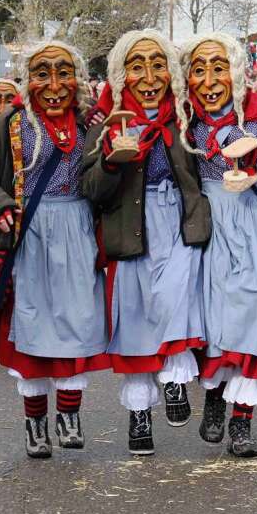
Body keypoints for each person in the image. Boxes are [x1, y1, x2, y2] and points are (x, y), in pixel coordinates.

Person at [0, 40, 109, 460]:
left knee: (77, 319)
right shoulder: (9, 125)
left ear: (78, 78)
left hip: (78, 230)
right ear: (27, 80)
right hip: (28, 235)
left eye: (63, 72)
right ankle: (35, 423)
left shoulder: (90, 125)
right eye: (42, 73)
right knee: (31, 325)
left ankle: (69, 415)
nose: (53, 83)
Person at [82, 29, 209, 456]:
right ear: (121, 74)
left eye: (158, 64)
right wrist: (112, 162)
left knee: (177, 295)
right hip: (127, 228)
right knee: (134, 317)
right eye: (137, 66)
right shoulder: (105, 121)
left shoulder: (185, 115)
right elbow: (90, 189)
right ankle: (139, 415)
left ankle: (175, 380)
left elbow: (209, 161)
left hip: (178, 219)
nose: (149, 75)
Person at [183, 32, 257, 458]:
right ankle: (214, 397)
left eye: (219, 67)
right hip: (209, 224)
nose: (210, 80)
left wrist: (255, 160)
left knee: (253, 319)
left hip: (252, 223)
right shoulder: (186, 126)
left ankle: (243, 420)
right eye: (199, 69)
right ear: (189, 79)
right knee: (213, 318)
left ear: (235, 73)